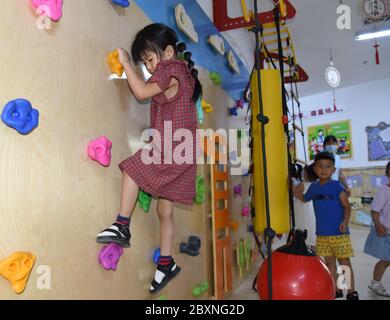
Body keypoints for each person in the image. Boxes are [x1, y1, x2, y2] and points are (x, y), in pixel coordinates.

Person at [96, 23, 202, 294]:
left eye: (150, 59)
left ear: (168, 52)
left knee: (132, 168)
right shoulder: (184, 73)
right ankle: (166, 264)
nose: (149, 67)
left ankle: (122, 226)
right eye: (144, 62)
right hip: (183, 152)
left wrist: (126, 64)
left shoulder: (172, 68)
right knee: (164, 210)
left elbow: (141, 92)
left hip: (172, 148)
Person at [294, 152, 359, 300]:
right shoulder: (314, 188)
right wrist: (296, 191)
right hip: (322, 234)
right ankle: (336, 289)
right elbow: (304, 198)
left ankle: (351, 291)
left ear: (334, 170)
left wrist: (344, 222)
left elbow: (347, 206)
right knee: (329, 262)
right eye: (320, 166)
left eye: (328, 166)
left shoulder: (337, 187)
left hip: (339, 233)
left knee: (344, 263)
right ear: (315, 169)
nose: (324, 169)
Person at [364, 161, 390, 297]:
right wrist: (379, 226)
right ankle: (375, 283)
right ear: (387, 173)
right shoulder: (384, 191)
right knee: (385, 260)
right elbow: (375, 211)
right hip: (387, 232)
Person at [293, 164, 318, 250]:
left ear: (307, 174)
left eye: (304, 171)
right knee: (312, 230)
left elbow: (295, 193)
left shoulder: (302, 185)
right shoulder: (318, 185)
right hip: (312, 211)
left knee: (303, 228)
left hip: (303, 212)